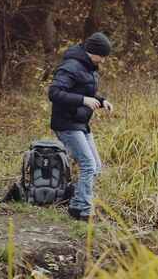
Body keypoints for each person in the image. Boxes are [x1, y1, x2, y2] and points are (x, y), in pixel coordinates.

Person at [48, 32, 113, 221]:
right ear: (93, 52)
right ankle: (83, 211)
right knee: (88, 165)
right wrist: (84, 100)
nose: (103, 60)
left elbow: (83, 90)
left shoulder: (88, 66)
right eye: (102, 56)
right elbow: (54, 93)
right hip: (66, 123)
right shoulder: (71, 66)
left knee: (96, 166)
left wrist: (101, 101)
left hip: (80, 122)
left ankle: (76, 202)